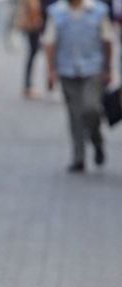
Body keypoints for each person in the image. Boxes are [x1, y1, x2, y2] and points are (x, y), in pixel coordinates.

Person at [44, 0, 112, 172]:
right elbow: (50, 42)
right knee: (74, 114)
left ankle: (97, 140)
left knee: (91, 108)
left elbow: (107, 40)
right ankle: (78, 156)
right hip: (67, 69)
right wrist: (51, 70)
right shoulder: (57, 11)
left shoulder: (97, 10)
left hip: (92, 68)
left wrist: (108, 68)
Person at [14, 0, 45, 97]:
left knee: (33, 52)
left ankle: (29, 85)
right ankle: (28, 85)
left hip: (35, 21)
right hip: (35, 22)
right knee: (33, 52)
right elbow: (33, 6)